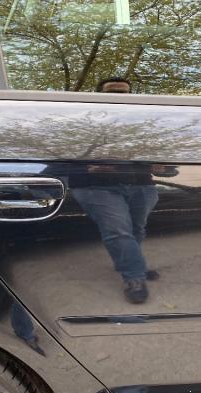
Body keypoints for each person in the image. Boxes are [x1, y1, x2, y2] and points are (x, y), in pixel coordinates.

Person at [70, 77, 170, 304]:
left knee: (136, 229)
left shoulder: (141, 126)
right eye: (113, 92)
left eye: (124, 93)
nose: (119, 97)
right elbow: (58, 158)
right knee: (118, 231)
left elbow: (167, 163)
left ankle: (134, 265)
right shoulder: (83, 124)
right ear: (99, 96)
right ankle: (134, 277)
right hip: (97, 187)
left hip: (141, 186)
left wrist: (163, 167)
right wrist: (86, 168)